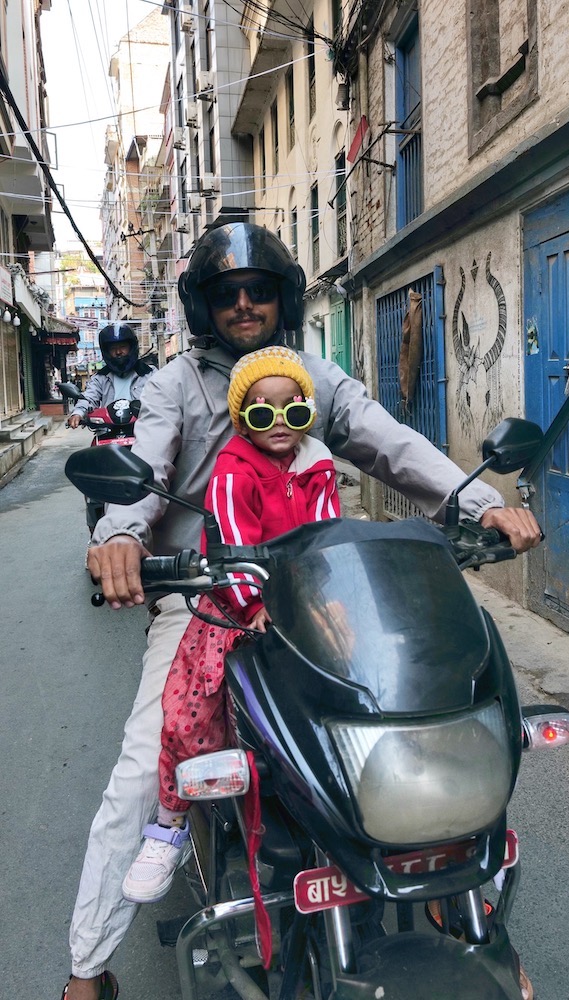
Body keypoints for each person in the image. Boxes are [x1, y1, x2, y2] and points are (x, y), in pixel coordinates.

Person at [62, 222, 540, 1000]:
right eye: (227, 293)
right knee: (145, 763)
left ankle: (457, 888)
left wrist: (480, 502)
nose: (244, 304)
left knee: (428, 711)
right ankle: (87, 968)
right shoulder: (172, 385)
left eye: (258, 290)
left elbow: (390, 443)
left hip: (318, 589)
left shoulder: (314, 377)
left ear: (282, 298)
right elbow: (143, 468)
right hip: (206, 593)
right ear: (204, 306)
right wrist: (118, 538)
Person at [121, 345, 340, 904]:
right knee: (190, 709)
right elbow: (231, 545)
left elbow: (327, 536)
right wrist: (253, 605)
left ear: (307, 413)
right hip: (235, 605)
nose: (280, 423)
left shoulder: (318, 462)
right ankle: (169, 823)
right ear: (243, 420)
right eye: (263, 413)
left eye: (293, 410)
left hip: (302, 605)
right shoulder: (233, 468)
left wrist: (328, 597)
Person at [66, 323, 154, 429]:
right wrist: (78, 413)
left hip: (143, 430)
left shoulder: (150, 373)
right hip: (108, 430)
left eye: (123, 347)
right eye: (113, 348)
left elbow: (163, 398)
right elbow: (89, 397)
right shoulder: (100, 378)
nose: (118, 352)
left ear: (131, 347)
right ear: (106, 351)